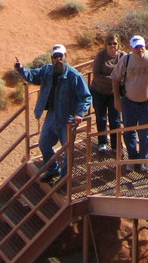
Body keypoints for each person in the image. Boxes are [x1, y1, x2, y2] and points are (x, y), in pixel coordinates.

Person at [14, 44, 91, 183]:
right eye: (55, 57)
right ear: (52, 58)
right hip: (51, 115)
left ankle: (65, 179)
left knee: (67, 149)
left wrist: (79, 113)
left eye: (60, 56)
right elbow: (32, 76)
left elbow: (85, 97)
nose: (58, 59)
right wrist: (21, 70)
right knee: (44, 144)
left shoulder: (74, 76)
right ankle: (52, 169)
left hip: (67, 119)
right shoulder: (47, 71)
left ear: (65, 56)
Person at [111, 35, 148, 172]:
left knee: (145, 133)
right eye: (136, 47)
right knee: (129, 131)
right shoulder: (126, 60)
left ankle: (143, 160)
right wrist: (116, 99)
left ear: (145, 45)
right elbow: (115, 78)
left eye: (141, 46)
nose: (140, 50)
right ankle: (133, 159)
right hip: (129, 102)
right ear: (131, 48)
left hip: (147, 103)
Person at [89, 34, 123, 155]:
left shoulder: (122, 56)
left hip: (114, 93)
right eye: (109, 43)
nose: (112, 46)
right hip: (99, 91)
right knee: (101, 117)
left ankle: (116, 145)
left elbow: (127, 72)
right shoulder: (101, 56)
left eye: (114, 43)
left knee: (115, 120)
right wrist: (114, 80)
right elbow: (96, 74)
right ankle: (102, 142)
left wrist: (118, 82)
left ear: (118, 44)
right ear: (106, 45)